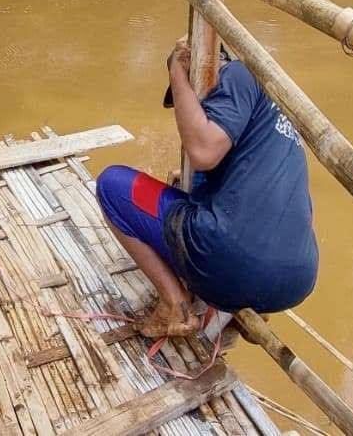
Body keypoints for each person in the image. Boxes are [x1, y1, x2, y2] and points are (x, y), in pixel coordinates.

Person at [95, 39, 318, 337]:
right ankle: (252, 306)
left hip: (230, 261)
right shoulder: (278, 108)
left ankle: (175, 306)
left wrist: (176, 72)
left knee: (112, 186)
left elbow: (203, 151)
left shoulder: (241, 74)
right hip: (297, 280)